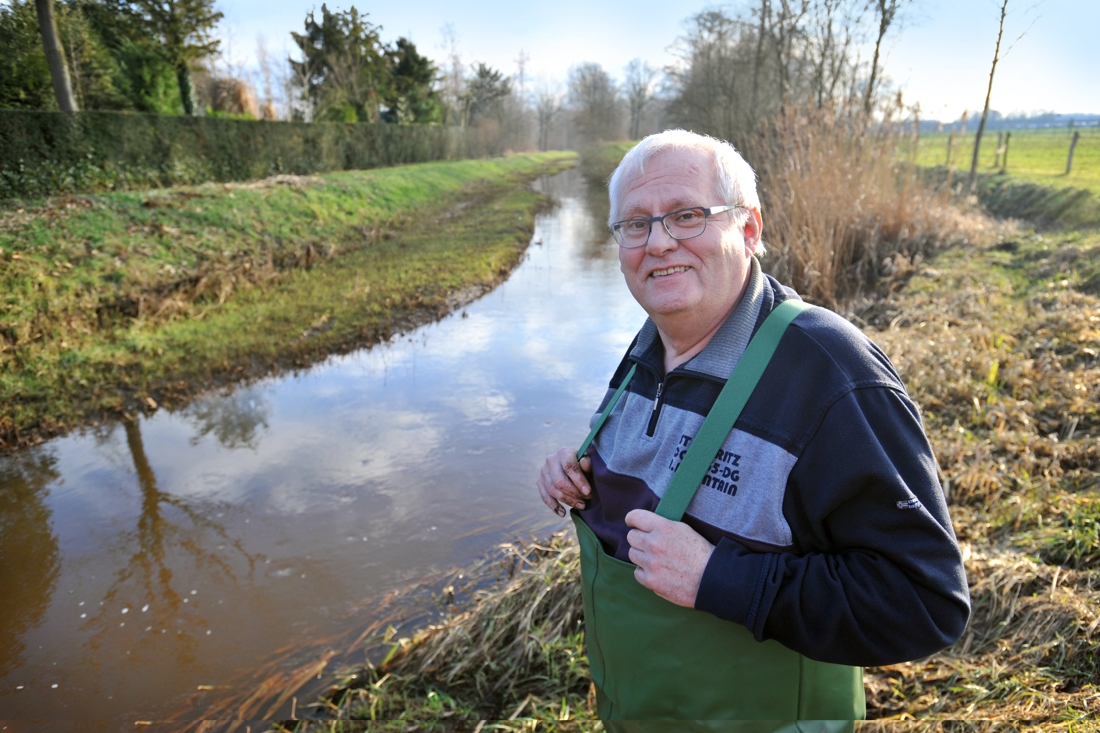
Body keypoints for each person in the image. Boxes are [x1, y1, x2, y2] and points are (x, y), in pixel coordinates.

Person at [536, 129, 970, 725]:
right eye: (634, 224)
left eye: (686, 216)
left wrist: (720, 578)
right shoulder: (650, 343)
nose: (657, 243)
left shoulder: (831, 374)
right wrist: (582, 477)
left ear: (748, 228)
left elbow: (923, 603)